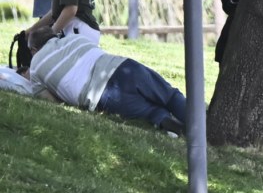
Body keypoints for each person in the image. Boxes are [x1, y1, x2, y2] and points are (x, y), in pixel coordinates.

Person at [27, 27, 186, 135]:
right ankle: (201, 126)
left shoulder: (35, 66)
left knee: (150, 111)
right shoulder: (75, 38)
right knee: (169, 96)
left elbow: (48, 101)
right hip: (123, 67)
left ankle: (166, 121)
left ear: (34, 50)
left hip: (103, 96)